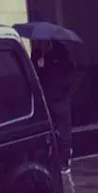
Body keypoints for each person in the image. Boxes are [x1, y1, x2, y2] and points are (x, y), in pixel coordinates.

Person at [33, 39, 76, 172]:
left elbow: (70, 72)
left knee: (61, 128)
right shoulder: (39, 55)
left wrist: (65, 89)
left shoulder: (58, 54)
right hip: (51, 98)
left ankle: (63, 158)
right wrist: (38, 66)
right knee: (53, 128)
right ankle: (57, 158)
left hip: (57, 98)